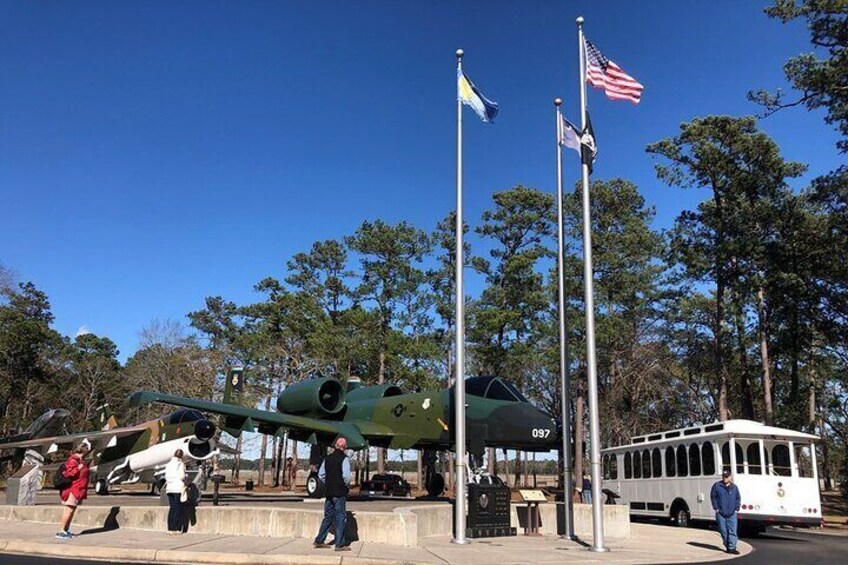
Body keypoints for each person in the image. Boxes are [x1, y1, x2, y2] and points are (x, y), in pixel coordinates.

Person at [313, 437, 351, 552]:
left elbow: (321, 474)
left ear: (335, 445)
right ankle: (339, 544)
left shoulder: (327, 458)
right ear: (345, 447)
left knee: (328, 516)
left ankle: (319, 540)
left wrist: (329, 483)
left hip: (329, 493)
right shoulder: (344, 459)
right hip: (339, 493)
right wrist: (346, 486)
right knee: (340, 517)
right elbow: (347, 477)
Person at [56, 440, 91, 539]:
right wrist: (78, 469)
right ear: (82, 451)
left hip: (79, 489)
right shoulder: (73, 460)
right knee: (68, 509)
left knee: (72, 510)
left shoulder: (81, 461)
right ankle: (61, 530)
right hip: (73, 489)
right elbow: (69, 473)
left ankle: (66, 530)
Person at [711, 470, 741, 555]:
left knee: (733, 531)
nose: (725, 478)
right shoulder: (717, 486)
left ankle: (732, 547)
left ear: (730, 477)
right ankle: (727, 545)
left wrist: (737, 508)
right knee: (723, 531)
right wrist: (716, 508)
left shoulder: (734, 487)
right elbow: (713, 497)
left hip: (732, 513)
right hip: (721, 513)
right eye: (724, 476)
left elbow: (737, 498)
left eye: (727, 477)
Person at [164, 449, 187, 535]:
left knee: (172, 508)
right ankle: (176, 527)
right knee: (178, 508)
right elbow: (182, 476)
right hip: (177, 488)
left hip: (169, 488)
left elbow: (167, 476)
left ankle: (170, 527)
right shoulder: (180, 464)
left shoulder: (168, 464)